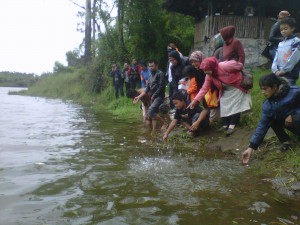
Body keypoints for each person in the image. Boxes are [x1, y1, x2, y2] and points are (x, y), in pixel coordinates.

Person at [242, 74, 300, 164]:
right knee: (271, 118)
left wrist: (294, 114)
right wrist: (251, 148)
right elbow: (262, 126)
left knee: (295, 118)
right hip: (294, 126)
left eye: (265, 89)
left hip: (297, 120)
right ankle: (286, 141)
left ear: (274, 87)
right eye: (261, 89)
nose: (263, 92)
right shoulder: (268, 105)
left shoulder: (295, 92)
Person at [189, 57, 252, 136]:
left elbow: (240, 66)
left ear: (212, 67)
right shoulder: (209, 75)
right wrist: (196, 100)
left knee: (235, 105)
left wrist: (232, 73)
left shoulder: (224, 66)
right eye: (204, 71)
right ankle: (225, 124)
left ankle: (232, 125)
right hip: (225, 88)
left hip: (237, 86)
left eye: (206, 70)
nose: (205, 72)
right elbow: (204, 88)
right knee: (224, 104)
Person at [133, 60, 168, 134]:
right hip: (153, 97)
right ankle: (154, 130)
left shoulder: (160, 74)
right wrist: (138, 97)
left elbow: (162, 87)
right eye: (150, 66)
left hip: (159, 96)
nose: (151, 67)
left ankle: (164, 123)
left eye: (152, 66)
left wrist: (154, 95)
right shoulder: (150, 76)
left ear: (156, 65)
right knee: (153, 114)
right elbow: (147, 89)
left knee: (151, 111)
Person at [271, 17, 300, 86]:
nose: (283, 31)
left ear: (292, 28)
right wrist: (275, 69)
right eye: (281, 30)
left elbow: (294, 58)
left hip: (290, 74)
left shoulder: (295, 41)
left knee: (290, 93)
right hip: (278, 74)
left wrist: (284, 70)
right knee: (280, 93)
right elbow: (276, 57)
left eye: (285, 29)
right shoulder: (280, 43)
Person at [166, 43, 183, 110]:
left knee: (178, 95)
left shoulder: (179, 55)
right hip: (171, 79)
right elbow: (170, 68)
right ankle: (173, 108)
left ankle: (177, 108)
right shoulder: (170, 56)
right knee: (172, 95)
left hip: (180, 81)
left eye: (169, 50)